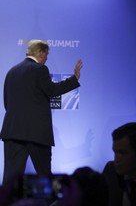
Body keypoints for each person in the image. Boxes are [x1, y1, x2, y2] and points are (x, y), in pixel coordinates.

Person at [0, 39, 83, 185]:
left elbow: (7, 102)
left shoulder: (12, 71)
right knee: (45, 177)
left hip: (12, 132)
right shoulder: (39, 69)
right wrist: (74, 79)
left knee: (10, 180)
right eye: (46, 54)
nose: (47, 58)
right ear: (40, 52)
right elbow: (52, 90)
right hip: (36, 133)